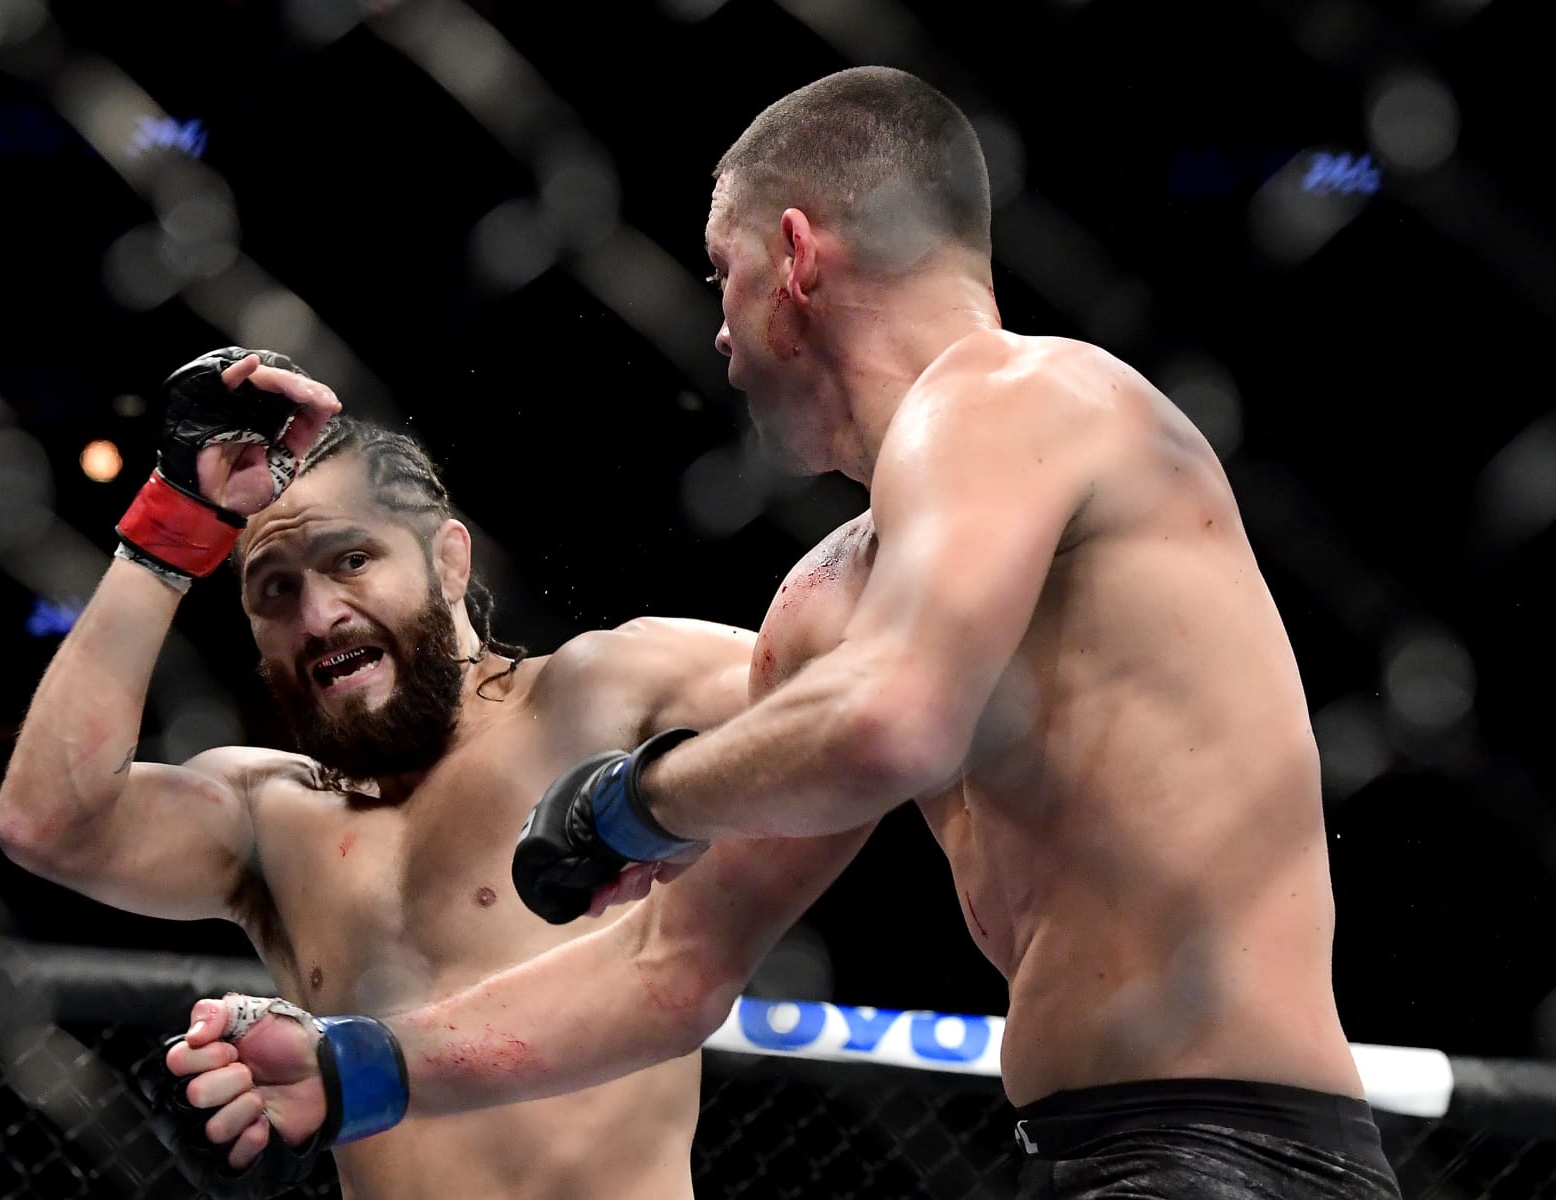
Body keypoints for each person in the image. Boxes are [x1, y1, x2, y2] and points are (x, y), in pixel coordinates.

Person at [159, 66, 1404, 1199]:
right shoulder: (832, 602)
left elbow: (895, 723)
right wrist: (361, 1068)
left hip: (1244, 1156)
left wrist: (636, 801)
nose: (717, 330)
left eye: (722, 272)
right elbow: (669, 966)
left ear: (797, 256)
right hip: (1071, 1153)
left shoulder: (1024, 391)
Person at [0, 346, 844, 1200]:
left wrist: (665, 799)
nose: (319, 616)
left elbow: (847, 685)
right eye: (275, 590)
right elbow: (47, 821)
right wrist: (172, 522)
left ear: (449, 562)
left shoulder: (599, 696)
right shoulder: (268, 818)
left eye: (351, 560)